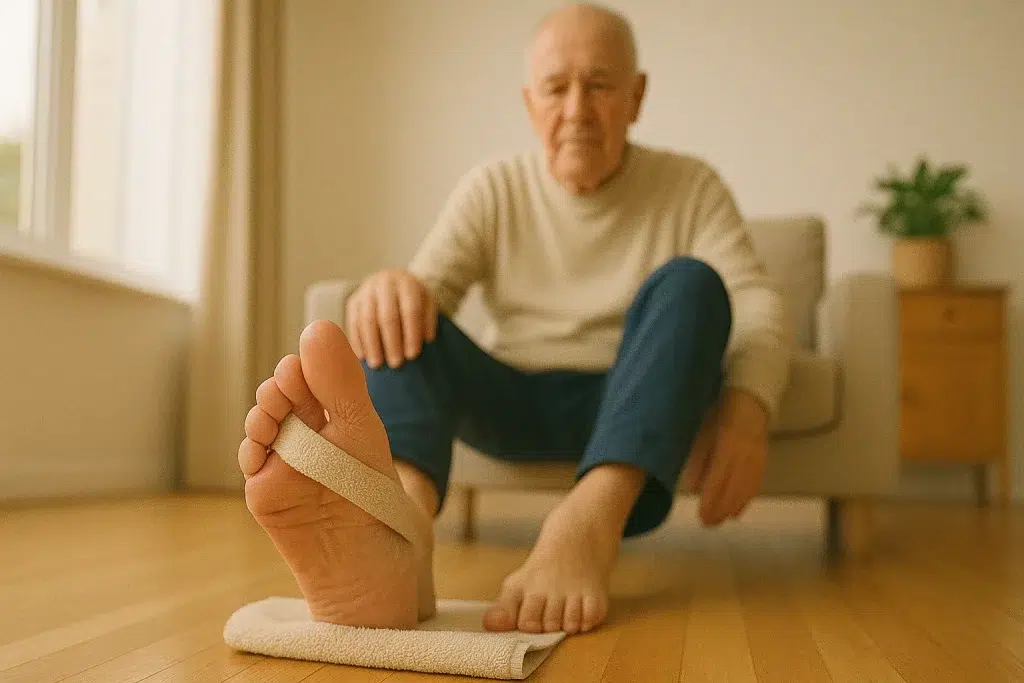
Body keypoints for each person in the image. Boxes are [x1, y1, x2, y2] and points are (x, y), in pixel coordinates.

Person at [237, 2, 792, 637]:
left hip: (631, 402)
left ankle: (584, 527)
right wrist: (394, 287)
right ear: (531, 104)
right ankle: (405, 534)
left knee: (696, 284)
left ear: (636, 98)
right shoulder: (493, 188)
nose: (578, 110)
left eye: (601, 86)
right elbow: (427, 297)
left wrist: (749, 412)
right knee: (397, 311)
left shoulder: (691, 186)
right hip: (513, 400)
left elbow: (757, 305)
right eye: (557, 89)